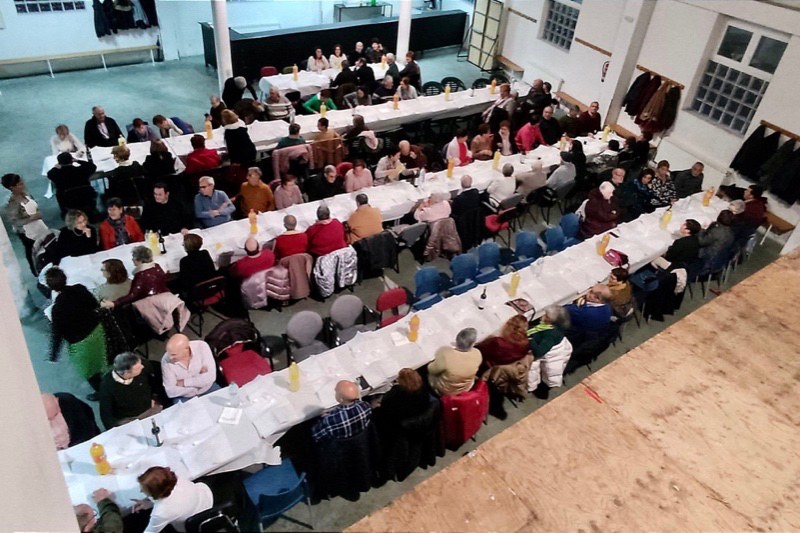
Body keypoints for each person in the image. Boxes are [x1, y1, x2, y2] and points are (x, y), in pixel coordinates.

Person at [45, 267, 108, 394]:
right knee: (100, 358)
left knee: (88, 370)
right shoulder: (80, 289)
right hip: (96, 330)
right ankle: (107, 384)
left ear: (50, 287)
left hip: (80, 343)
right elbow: (94, 304)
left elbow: (57, 333)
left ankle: (102, 394)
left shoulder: (57, 309)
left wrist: (53, 355)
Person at [134, 466, 214, 533]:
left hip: (193, 523)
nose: (141, 491)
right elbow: (172, 498)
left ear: (156, 493)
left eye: (144, 490)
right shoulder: (175, 479)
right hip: (206, 498)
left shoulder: (161, 513)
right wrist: (149, 504)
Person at [99, 352, 162, 428]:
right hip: (128, 419)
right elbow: (106, 413)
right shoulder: (107, 385)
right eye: (138, 368)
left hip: (150, 408)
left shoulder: (141, 365)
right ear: (125, 373)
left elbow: (157, 376)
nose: (142, 367)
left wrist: (154, 396)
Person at [2, 173, 49, 274]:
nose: (23, 185)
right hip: (27, 231)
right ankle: (36, 270)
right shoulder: (12, 203)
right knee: (33, 250)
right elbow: (14, 221)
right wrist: (32, 218)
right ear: (12, 187)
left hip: (38, 225)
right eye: (20, 184)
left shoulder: (26, 193)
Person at [100, 245, 169, 309]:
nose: (132, 259)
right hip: (165, 298)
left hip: (154, 305)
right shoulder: (156, 266)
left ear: (138, 260)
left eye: (133, 257)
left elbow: (133, 295)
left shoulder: (141, 275)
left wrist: (114, 303)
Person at [161, 334, 219, 402]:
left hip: (208, 388)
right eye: (169, 353)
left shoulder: (201, 346)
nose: (170, 358)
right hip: (185, 396)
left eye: (174, 354)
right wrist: (198, 384)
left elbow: (211, 377)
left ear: (186, 349)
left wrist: (184, 382)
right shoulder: (165, 360)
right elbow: (170, 391)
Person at [428, 328, 481, 396]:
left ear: (457, 339)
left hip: (444, 391)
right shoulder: (478, 354)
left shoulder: (446, 355)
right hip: (465, 388)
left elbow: (431, 369)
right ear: (473, 343)